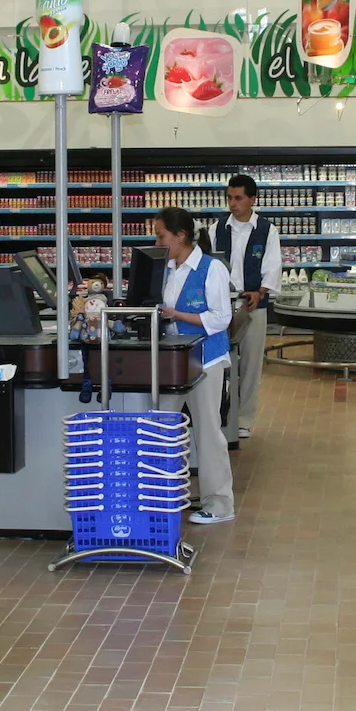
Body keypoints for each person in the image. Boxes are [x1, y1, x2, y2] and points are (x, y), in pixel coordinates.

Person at [150, 206, 236, 525]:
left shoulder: (212, 269)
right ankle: (162, 497)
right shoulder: (167, 269)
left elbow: (221, 318)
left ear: (181, 236)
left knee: (207, 431)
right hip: (172, 361)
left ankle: (220, 503)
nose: (157, 243)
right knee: (162, 428)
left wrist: (177, 315)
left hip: (205, 361)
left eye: (161, 236)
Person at [205, 174, 280, 446]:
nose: (232, 204)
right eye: (229, 198)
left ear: (252, 199)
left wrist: (260, 291)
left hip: (252, 306)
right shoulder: (216, 229)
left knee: (250, 365)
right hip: (221, 308)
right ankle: (218, 415)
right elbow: (208, 264)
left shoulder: (267, 230)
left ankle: (244, 420)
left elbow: (273, 266)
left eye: (238, 198)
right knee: (219, 363)